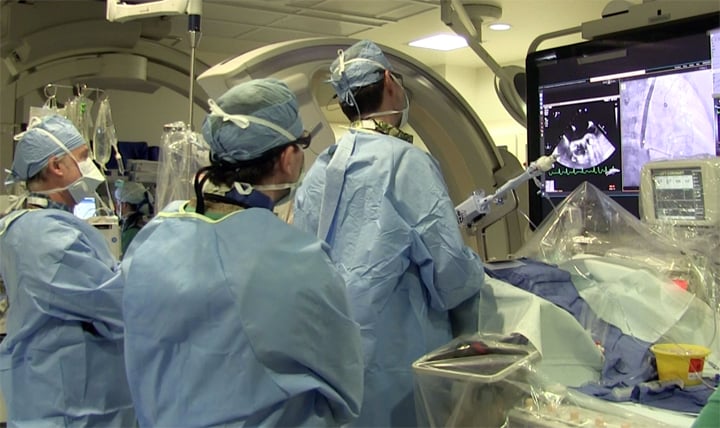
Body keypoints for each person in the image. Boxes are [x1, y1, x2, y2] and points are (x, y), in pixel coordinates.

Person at [121, 78, 364, 427]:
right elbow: (343, 381)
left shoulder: (156, 236)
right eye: (301, 143)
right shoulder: (296, 260)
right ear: (286, 158)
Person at [293, 39, 486, 427]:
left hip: (332, 361)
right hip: (396, 369)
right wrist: (477, 270)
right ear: (389, 81)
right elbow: (450, 276)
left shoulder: (321, 169)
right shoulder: (406, 164)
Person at [0, 115, 135, 426]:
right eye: (84, 158)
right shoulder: (44, 237)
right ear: (56, 166)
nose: (90, 168)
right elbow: (112, 300)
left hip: (67, 393)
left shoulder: (43, 225)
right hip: (68, 401)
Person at [114, 180, 154, 256]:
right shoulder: (141, 223)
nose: (116, 206)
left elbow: (119, 257)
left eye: (117, 202)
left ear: (124, 205)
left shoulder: (132, 232)